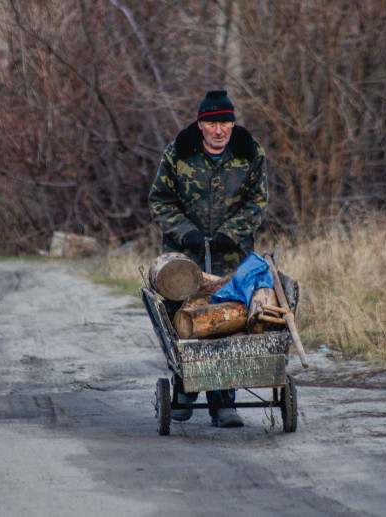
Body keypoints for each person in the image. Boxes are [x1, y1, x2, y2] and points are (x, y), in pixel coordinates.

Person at [148, 90, 268, 428]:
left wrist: (233, 231)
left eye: (225, 122)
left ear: (233, 123)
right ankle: (184, 389)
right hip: (184, 256)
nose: (219, 130)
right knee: (184, 319)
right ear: (201, 125)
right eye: (213, 123)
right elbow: (160, 198)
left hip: (232, 254)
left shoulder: (250, 154)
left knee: (227, 320)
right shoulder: (178, 153)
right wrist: (184, 230)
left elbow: (258, 200)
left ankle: (223, 403)